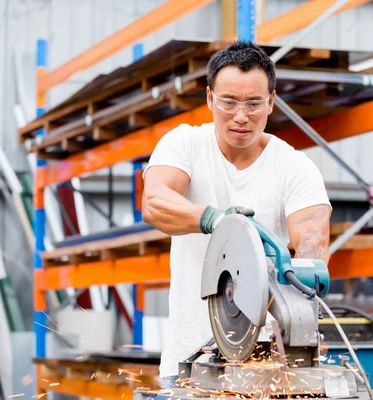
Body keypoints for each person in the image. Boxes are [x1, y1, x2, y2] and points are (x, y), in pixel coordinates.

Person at [141, 40, 332, 385]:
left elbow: (312, 240)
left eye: (254, 103)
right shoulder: (185, 144)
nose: (241, 116)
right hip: (188, 359)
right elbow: (154, 202)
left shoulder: (294, 167)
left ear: (271, 102)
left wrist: (304, 275)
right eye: (228, 102)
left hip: (268, 366)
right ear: (210, 98)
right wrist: (218, 221)